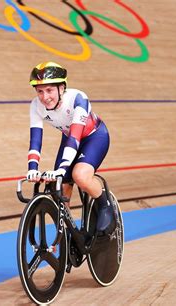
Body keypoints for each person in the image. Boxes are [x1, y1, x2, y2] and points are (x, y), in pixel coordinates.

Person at [25, 61, 115, 235]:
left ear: (61, 88)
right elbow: (35, 141)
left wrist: (62, 168)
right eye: (40, 91)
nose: (45, 97)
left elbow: (75, 137)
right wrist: (32, 169)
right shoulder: (36, 106)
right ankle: (67, 233)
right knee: (60, 188)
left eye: (49, 90)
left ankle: (105, 205)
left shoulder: (78, 98)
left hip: (94, 137)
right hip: (69, 139)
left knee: (79, 176)